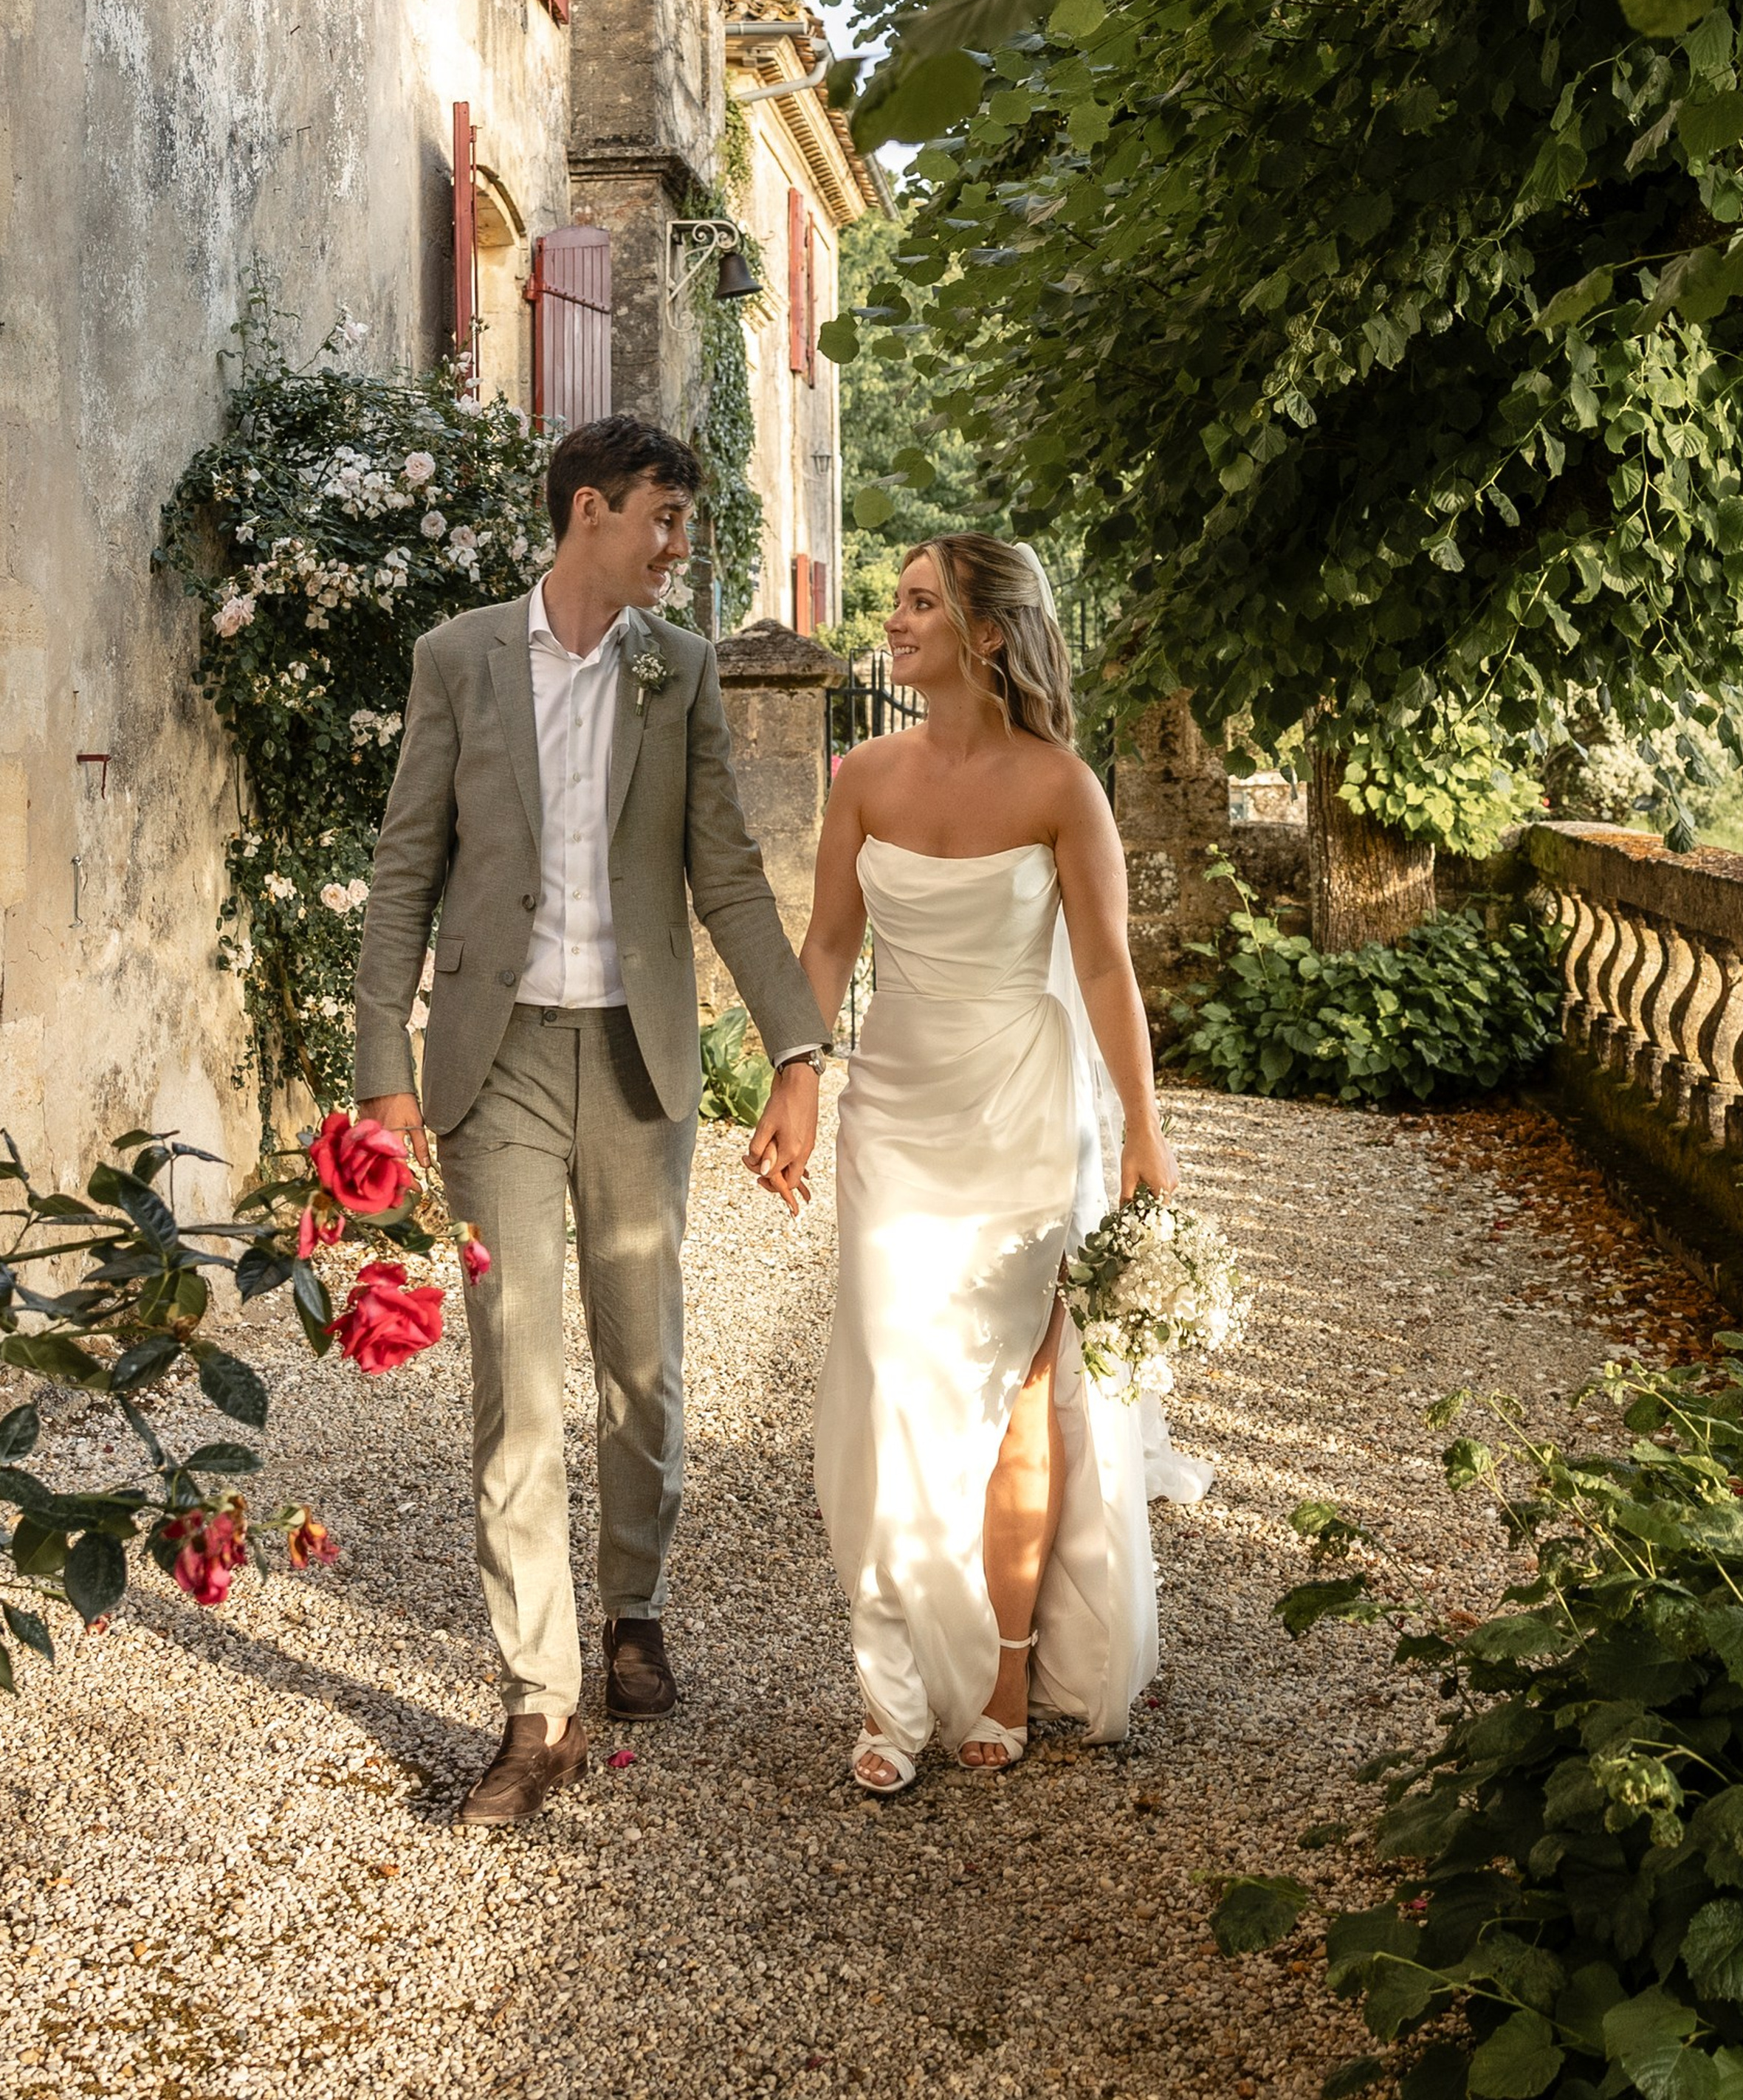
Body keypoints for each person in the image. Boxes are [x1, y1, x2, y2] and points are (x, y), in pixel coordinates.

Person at [354, 416, 831, 1828]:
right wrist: (387, 1064)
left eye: (683, 521)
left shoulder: (674, 672)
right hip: (491, 1066)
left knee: (643, 1365)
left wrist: (796, 1049)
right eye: (664, 519)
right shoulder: (458, 660)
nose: (680, 546)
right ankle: (536, 1701)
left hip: (637, 1064)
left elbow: (729, 877)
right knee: (513, 1370)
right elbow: (405, 870)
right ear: (587, 513)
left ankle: (636, 1603)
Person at [746, 534, 1175, 1791]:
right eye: (897, 602)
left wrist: (1144, 1128)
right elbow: (826, 944)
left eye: (922, 602)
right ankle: (890, 1693)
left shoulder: (1062, 789)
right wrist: (797, 1075)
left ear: (989, 634)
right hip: (896, 1113)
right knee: (890, 1388)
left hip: (1027, 1117)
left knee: (1019, 1410)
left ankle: (1003, 1670)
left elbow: (1105, 969)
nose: (895, 620)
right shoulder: (863, 776)